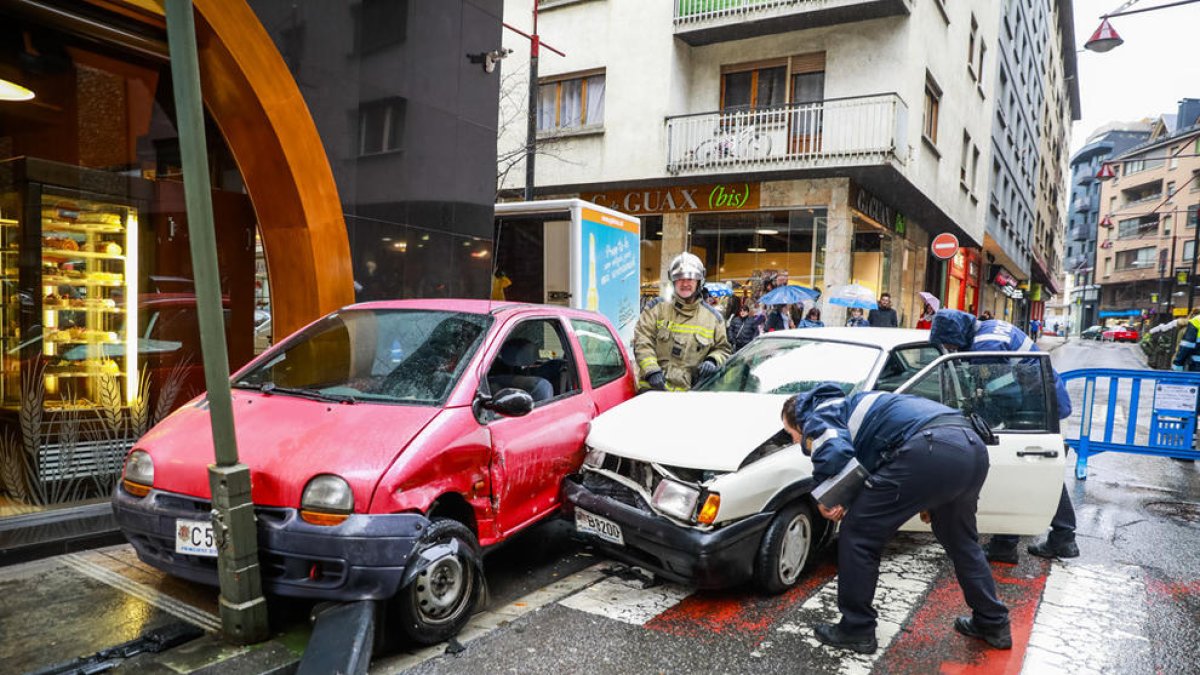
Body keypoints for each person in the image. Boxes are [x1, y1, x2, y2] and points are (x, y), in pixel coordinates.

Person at [783, 385, 1011, 654]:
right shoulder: (856, 408)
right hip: (971, 447)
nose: (795, 442)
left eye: (791, 434)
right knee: (962, 543)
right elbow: (875, 464)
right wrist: (928, 497)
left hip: (929, 450)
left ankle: (856, 629)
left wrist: (826, 496)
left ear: (798, 421)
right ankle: (992, 622)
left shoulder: (819, 413)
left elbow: (832, 452)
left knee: (858, 535)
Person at [929, 309, 1079, 562]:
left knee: (1026, 466)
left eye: (949, 344)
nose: (949, 349)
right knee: (1030, 469)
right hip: (1041, 397)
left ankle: (1027, 541)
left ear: (957, 335)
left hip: (1036, 403)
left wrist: (978, 420)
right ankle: (1047, 539)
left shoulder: (986, 346)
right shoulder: (987, 329)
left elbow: (1007, 397)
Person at [633, 252, 732, 392]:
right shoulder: (656, 309)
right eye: (680, 278)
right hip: (653, 392)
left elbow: (723, 349)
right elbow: (642, 340)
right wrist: (651, 370)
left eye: (690, 278)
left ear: (699, 281)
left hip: (690, 396)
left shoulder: (714, 319)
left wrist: (713, 360)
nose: (685, 283)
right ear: (673, 281)